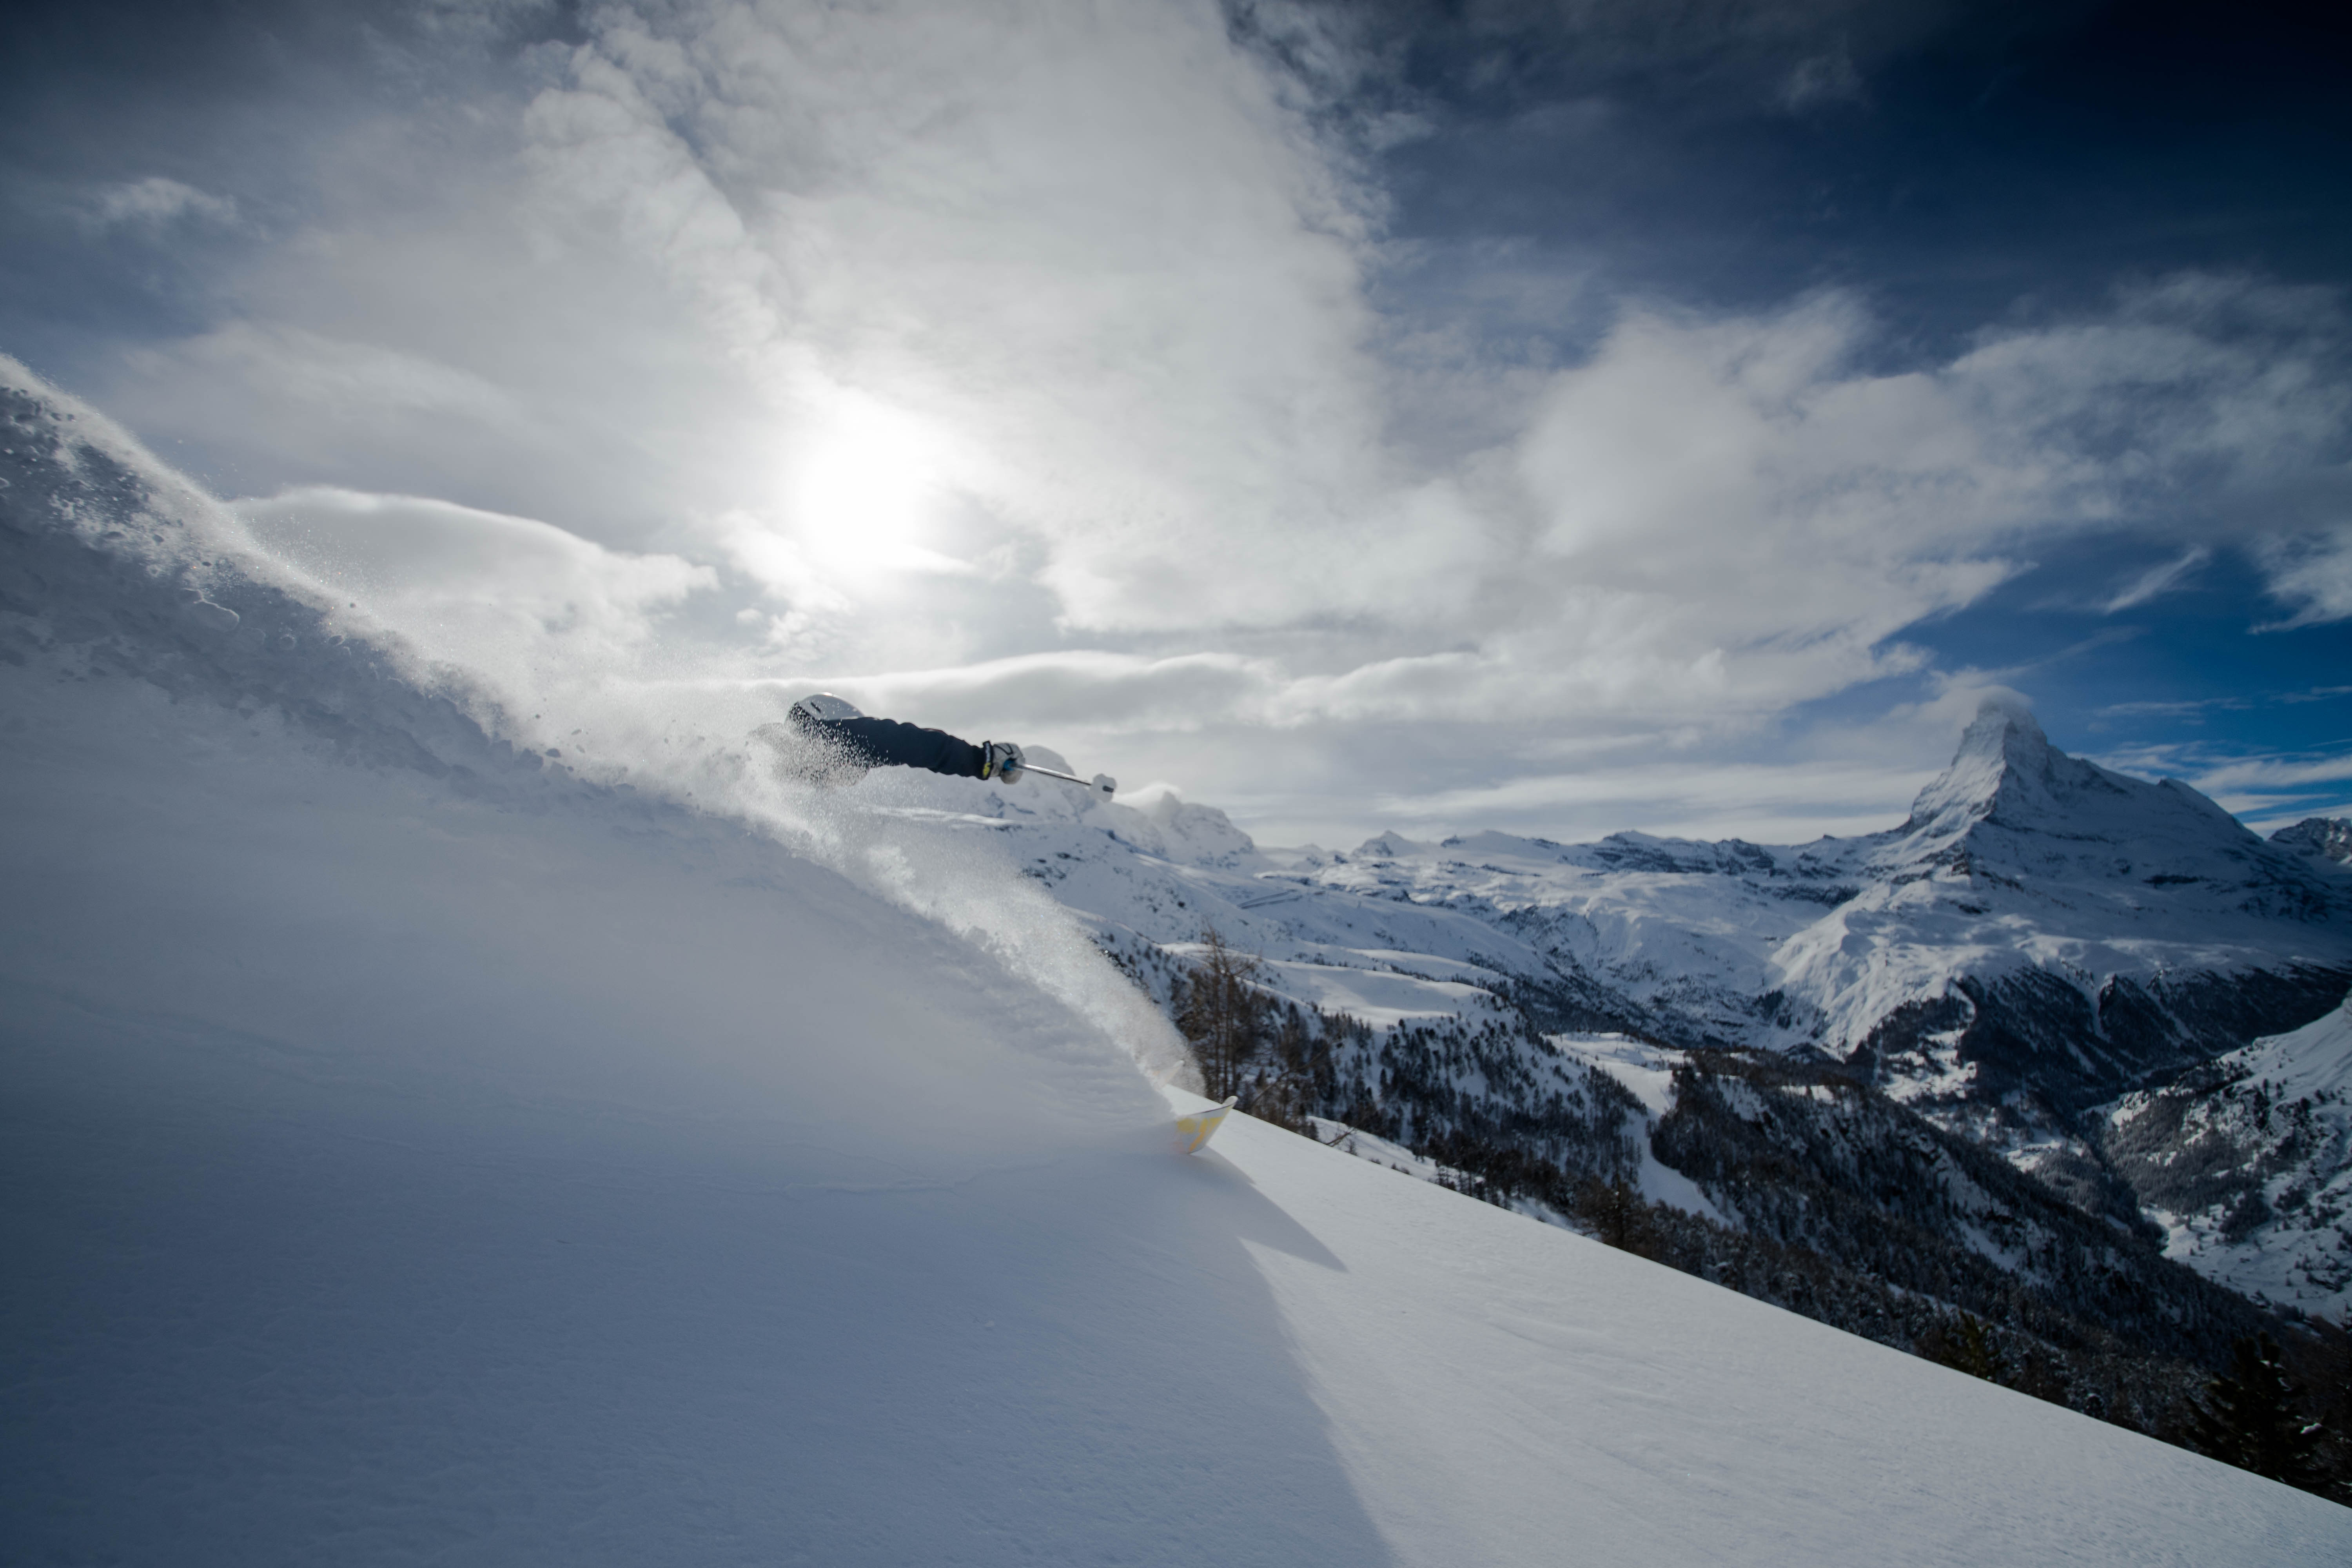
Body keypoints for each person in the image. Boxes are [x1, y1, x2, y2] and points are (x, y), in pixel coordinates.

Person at [759, 692, 1025, 784]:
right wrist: (980, 761)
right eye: (852, 766)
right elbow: (908, 743)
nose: (848, 778)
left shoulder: (780, 765)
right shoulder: (837, 740)